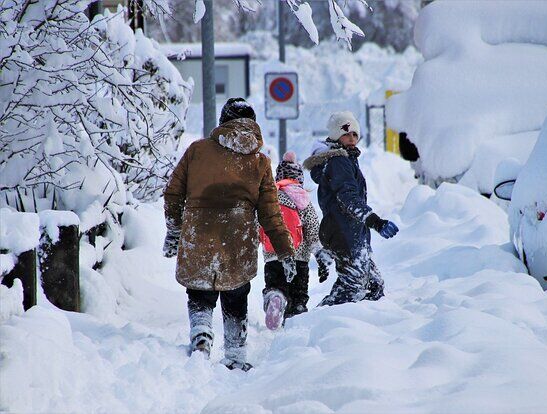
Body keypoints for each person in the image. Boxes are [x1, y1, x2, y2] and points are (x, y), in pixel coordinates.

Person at [163, 98, 296, 371]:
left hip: (199, 232)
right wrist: (285, 250)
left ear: (223, 122)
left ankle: (201, 334)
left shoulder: (197, 151)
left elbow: (173, 193)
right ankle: (235, 355)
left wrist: (175, 228)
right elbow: (271, 213)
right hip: (238, 236)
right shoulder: (259, 162)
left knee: (200, 291)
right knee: (236, 294)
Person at [303, 111, 399, 307]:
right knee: (352, 287)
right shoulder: (339, 162)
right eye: (346, 134)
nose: (352, 138)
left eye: (355, 134)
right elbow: (348, 197)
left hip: (351, 231)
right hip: (343, 232)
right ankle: (316, 322)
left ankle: (362, 328)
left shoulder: (346, 159)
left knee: (374, 285)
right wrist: (375, 221)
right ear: (336, 136)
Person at [259, 151, 332, 330]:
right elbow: (313, 230)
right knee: (298, 297)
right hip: (299, 259)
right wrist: (319, 253)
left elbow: (257, 225)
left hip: (273, 256)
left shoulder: (270, 198)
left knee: (275, 286)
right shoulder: (302, 199)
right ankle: (295, 326)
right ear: (299, 178)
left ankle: (275, 297)